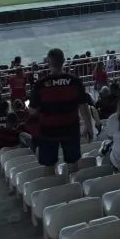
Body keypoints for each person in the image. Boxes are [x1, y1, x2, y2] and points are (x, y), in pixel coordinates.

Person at [28, 48, 94, 176]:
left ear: (48, 62)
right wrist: (88, 126)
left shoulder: (40, 85)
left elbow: (32, 111)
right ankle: (73, 190)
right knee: (73, 163)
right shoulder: (75, 82)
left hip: (48, 131)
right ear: (63, 61)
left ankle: (52, 192)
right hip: (70, 129)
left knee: (49, 164)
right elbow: (83, 106)